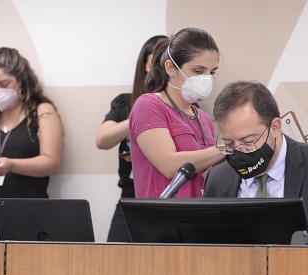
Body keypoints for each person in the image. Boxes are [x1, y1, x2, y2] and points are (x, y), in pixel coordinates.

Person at [205, 80, 308, 230]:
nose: (239, 150)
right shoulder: (217, 179)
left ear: (275, 127)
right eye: (229, 143)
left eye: (248, 141)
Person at [0, 47, 63, 240]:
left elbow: (52, 163)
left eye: (4, 84)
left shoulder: (42, 111)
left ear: (21, 80)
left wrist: (11, 165)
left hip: (31, 214)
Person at [129, 27, 225, 199]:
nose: (207, 78)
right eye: (198, 71)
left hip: (200, 212)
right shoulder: (149, 105)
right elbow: (169, 165)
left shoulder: (202, 117)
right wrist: (227, 149)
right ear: (171, 68)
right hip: (162, 214)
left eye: (212, 72)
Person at [96, 35, 168, 242]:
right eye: (154, 62)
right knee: (114, 256)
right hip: (131, 195)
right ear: (145, 65)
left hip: (168, 195)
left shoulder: (185, 108)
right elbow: (102, 140)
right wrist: (142, 114)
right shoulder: (126, 102)